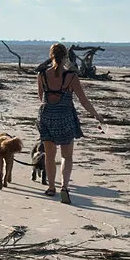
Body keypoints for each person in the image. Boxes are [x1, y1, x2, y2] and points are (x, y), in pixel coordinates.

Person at [36, 42, 103, 202]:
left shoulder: (42, 75)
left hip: (46, 116)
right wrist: (96, 115)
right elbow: (83, 100)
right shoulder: (71, 76)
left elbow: (41, 97)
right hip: (64, 117)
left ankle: (51, 187)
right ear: (65, 56)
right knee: (67, 156)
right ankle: (64, 186)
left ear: (51, 56)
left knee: (50, 155)